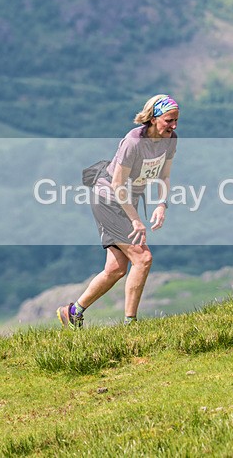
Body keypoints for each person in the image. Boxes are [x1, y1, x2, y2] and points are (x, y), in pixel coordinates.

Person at [58, 94, 179, 328]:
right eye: (168, 120)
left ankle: (73, 312)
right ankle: (130, 325)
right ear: (153, 118)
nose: (173, 126)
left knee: (115, 269)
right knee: (143, 258)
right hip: (109, 200)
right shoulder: (133, 142)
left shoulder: (170, 139)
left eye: (176, 121)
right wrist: (136, 220)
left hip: (127, 201)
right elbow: (117, 184)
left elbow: (164, 175)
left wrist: (162, 204)